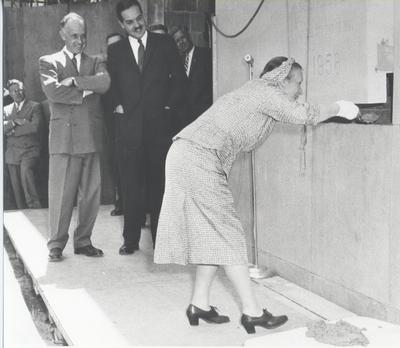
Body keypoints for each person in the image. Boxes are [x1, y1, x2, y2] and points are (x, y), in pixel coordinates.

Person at [154, 56, 359, 333]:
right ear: (282, 79)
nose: (299, 90)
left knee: (211, 236)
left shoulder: (255, 91)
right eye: (297, 83)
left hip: (186, 154)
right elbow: (305, 114)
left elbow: (285, 111)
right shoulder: (267, 92)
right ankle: (252, 312)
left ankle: (199, 305)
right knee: (229, 236)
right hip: (198, 159)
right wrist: (340, 107)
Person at [107, 0, 186, 254]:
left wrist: (167, 108)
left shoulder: (164, 44)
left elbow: (179, 81)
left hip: (158, 129)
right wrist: (117, 105)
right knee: (130, 186)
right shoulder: (116, 51)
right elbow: (111, 86)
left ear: (143, 16)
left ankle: (160, 242)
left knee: (158, 185)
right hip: (128, 130)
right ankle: (130, 240)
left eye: (138, 18)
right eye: (129, 22)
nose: (136, 25)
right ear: (121, 24)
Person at [39, 12, 110, 262]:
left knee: (91, 194)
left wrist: (76, 81)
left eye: (83, 36)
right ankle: (56, 245)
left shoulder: (95, 60)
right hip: (63, 139)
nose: (79, 41)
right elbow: (54, 93)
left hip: (90, 136)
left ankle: (83, 241)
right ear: (62, 35)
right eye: (74, 36)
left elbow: (104, 84)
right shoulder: (48, 61)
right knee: (61, 195)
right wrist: (86, 91)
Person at [3, 79, 43, 209]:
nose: (17, 92)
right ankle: (21, 212)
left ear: (24, 89)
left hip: (29, 150)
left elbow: (34, 128)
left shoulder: (34, 106)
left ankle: (35, 208)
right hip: (12, 153)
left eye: (19, 89)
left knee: (26, 173)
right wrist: (15, 121)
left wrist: (11, 131)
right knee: (16, 187)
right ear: (9, 93)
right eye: (14, 91)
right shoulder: (5, 110)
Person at [170, 25, 212, 130]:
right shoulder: (176, 62)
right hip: (184, 120)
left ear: (188, 36)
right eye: (177, 41)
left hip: (203, 116)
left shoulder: (205, 55)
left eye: (183, 38)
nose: (181, 42)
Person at [101, 32, 124, 216]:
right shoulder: (104, 70)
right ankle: (120, 202)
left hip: (131, 121)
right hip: (112, 124)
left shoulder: (132, 65)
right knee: (116, 163)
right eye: (111, 47)